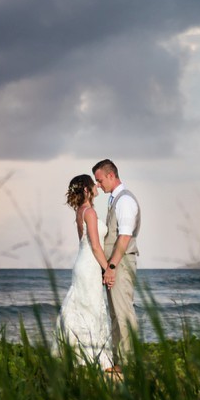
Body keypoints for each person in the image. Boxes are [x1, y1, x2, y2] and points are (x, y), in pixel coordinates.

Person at [56, 173, 115, 372]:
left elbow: (82, 241)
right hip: (89, 265)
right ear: (88, 190)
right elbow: (96, 246)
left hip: (82, 263)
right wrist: (108, 269)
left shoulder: (80, 211)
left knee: (84, 308)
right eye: (94, 184)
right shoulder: (89, 212)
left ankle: (80, 356)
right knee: (91, 309)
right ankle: (97, 359)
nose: (98, 186)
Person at [92, 159, 140, 364]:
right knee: (115, 314)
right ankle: (119, 361)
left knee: (124, 313)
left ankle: (131, 363)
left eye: (100, 180)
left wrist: (111, 266)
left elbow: (125, 237)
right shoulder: (115, 199)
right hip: (115, 264)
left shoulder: (125, 201)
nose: (98, 185)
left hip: (120, 264)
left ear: (111, 176)